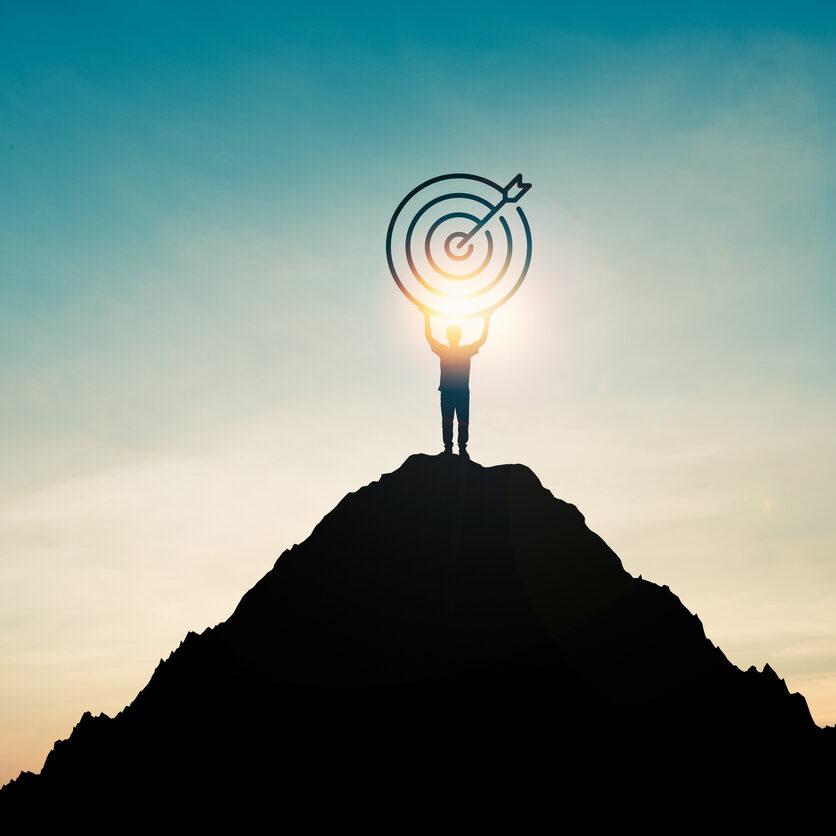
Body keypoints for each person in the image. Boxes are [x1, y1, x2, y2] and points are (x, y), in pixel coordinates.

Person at [424, 310, 490, 459]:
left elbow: (429, 338)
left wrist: (427, 318)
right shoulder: (459, 351)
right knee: (455, 421)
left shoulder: (456, 351)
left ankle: (458, 448)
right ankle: (454, 448)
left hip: (456, 392)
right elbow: (482, 340)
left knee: (459, 421)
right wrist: (487, 321)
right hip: (454, 392)